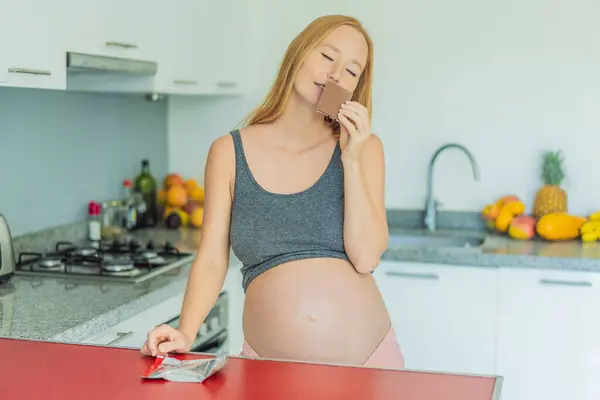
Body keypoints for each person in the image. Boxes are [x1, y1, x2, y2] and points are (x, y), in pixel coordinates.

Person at [141, 14, 405, 370]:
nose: (335, 75)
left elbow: (366, 257)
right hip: (269, 375)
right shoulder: (228, 153)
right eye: (327, 57)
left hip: (371, 369)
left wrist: (352, 159)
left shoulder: (364, 149)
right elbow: (212, 258)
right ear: (298, 53)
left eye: (351, 71)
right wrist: (186, 331)